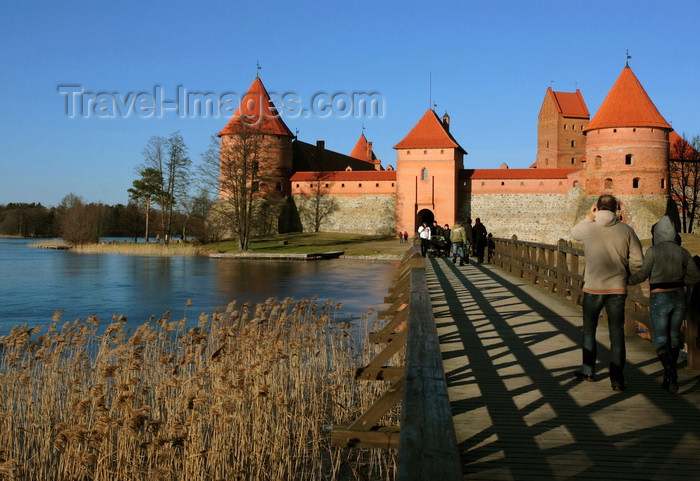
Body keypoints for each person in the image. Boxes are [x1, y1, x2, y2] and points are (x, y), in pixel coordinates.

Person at [571, 194, 643, 391]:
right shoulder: (627, 230)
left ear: (597, 208)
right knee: (616, 333)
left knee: (588, 329)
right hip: (617, 289)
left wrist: (589, 217)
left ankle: (588, 370)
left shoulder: (589, 228)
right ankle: (617, 380)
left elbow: (573, 233)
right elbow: (638, 261)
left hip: (593, 288)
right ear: (616, 209)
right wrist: (629, 279)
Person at [628, 216, 700, 393]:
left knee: (660, 338)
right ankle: (670, 375)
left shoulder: (653, 251)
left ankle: (670, 372)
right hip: (678, 297)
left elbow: (643, 274)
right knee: (674, 337)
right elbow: (696, 276)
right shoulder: (682, 252)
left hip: (659, 297)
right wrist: (683, 280)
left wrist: (629, 280)